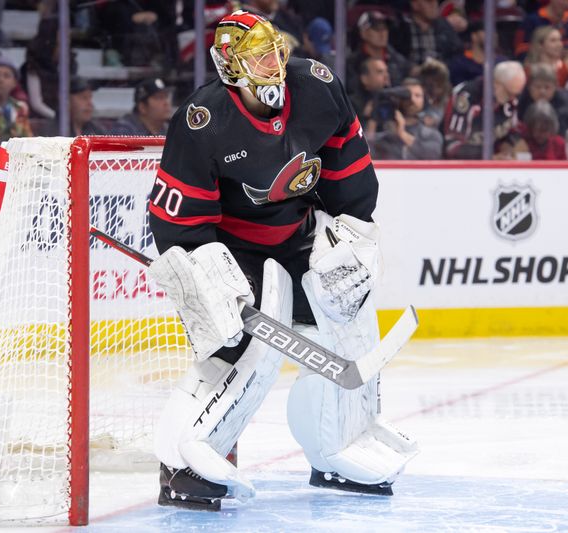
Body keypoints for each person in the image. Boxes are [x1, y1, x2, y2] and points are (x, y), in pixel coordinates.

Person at [146, 10, 418, 511]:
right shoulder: (202, 119)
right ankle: (185, 463)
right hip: (235, 247)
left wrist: (354, 233)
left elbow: (347, 169)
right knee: (242, 347)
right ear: (230, 66)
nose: (273, 66)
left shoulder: (316, 86)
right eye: (258, 58)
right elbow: (179, 224)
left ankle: (338, 448)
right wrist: (208, 275)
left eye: (275, 53)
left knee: (349, 319)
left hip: (297, 232)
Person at [443, 60, 526, 159]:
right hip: (460, 167)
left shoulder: (510, 101)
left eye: (516, 94)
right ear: (496, 84)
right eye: (510, 94)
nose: (513, 99)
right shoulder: (467, 97)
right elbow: (452, 147)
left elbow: (514, 130)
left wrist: (508, 145)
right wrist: (490, 157)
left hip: (493, 164)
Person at [372, 78, 444, 159]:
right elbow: (367, 147)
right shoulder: (385, 137)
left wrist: (402, 134)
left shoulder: (431, 135)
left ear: (424, 101)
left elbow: (433, 154)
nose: (412, 100)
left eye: (417, 95)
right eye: (407, 95)